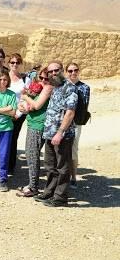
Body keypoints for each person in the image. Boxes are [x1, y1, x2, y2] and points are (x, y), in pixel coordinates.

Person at [34, 62, 78, 207]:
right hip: (49, 133)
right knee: (50, 165)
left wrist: (60, 133)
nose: (53, 73)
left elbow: (70, 113)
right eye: (50, 71)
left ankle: (60, 197)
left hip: (62, 135)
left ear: (62, 70)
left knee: (62, 166)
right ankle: (50, 191)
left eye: (56, 70)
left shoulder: (70, 88)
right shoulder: (55, 87)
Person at [16, 67, 52, 197]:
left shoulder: (48, 89)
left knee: (32, 155)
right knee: (31, 153)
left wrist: (25, 96)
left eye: (46, 79)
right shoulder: (41, 89)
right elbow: (30, 106)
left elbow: (36, 106)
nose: (43, 81)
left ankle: (33, 187)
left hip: (38, 125)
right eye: (41, 78)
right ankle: (32, 184)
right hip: (33, 123)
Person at [66, 62, 90, 187]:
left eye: (75, 70)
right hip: (61, 123)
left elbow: (83, 107)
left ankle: (73, 177)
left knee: (73, 150)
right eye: (70, 71)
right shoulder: (62, 86)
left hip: (75, 124)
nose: (73, 73)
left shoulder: (85, 88)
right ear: (66, 72)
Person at [7, 53, 29, 174]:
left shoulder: (25, 79)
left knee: (13, 138)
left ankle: (10, 165)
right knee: (3, 138)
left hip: (19, 114)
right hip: (4, 113)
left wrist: (18, 114)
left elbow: (27, 97)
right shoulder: (4, 77)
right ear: (8, 64)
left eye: (17, 62)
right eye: (12, 62)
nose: (15, 65)